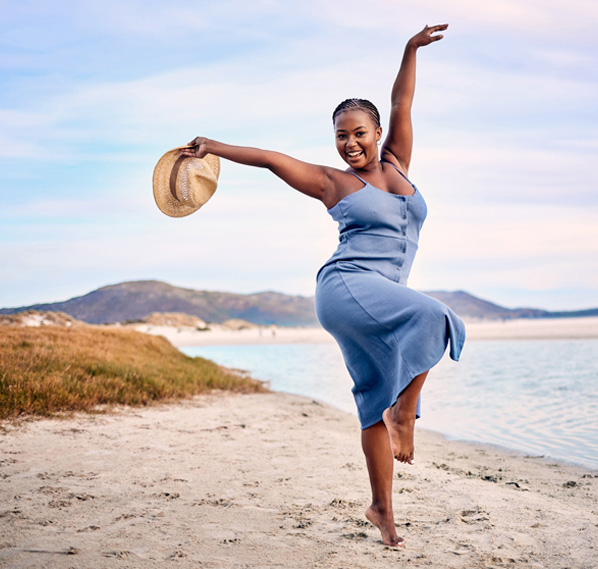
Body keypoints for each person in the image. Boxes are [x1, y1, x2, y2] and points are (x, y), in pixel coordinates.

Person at [180, 24, 465, 548]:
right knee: (437, 315)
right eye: (341, 135)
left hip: (379, 296)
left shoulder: (399, 163)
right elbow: (270, 159)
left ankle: (382, 510)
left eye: (359, 132)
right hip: (347, 286)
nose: (350, 142)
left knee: (369, 399)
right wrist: (213, 145)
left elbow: (403, 101)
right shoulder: (332, 183)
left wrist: (409, 49)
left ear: (376, 133)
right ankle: (405, 411)